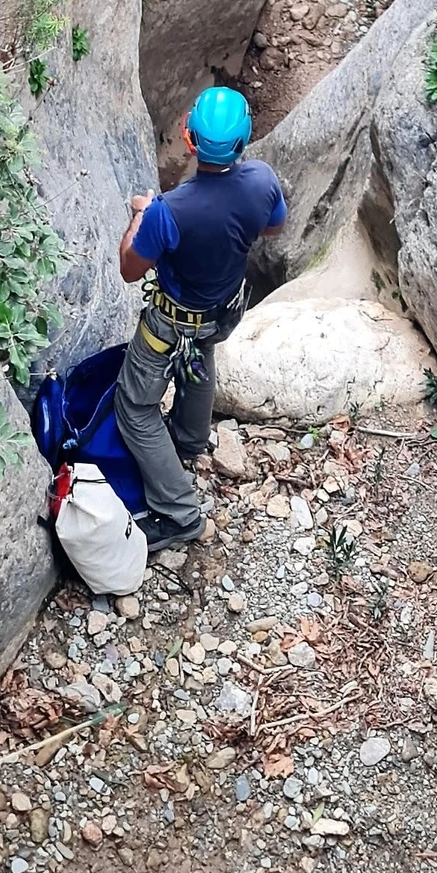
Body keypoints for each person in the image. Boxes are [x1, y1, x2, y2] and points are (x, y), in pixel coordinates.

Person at [114, 86, 287, 553]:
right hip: (224, 309)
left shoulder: (168, 211)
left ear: (190, 141)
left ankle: (179, 513)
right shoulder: (263, 181)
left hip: (171, 322)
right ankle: (189, 442)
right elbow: (273, 226)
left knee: (133, 408)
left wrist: (138, 216)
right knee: (202, 355)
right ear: (244, 139)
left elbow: (130, 269)